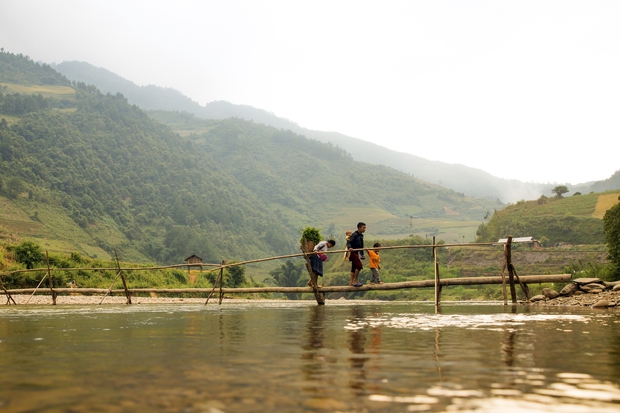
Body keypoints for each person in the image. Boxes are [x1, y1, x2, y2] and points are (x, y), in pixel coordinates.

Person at [346, 222, 366, 287]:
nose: (364, 229)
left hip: (357, 252)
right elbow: (349, 242)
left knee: (354, 267)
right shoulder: (355, 234)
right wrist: (349, 247)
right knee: (359, 266)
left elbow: (361, 245)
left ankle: (351, 282)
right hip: (353, 252)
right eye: (363, 228)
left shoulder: (361, 235)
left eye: (365, 228)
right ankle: (355, 280)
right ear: (359, 228)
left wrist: (362, 253)